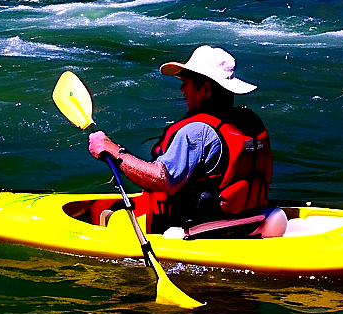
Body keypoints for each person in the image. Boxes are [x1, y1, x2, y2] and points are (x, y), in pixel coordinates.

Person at [88, 45, 274, 235]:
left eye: (187, 82)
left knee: (111, 219)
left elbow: (162, 179)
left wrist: (113, 150)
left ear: (206, 88)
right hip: (244, 223)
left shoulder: (196, 131)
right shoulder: (247, 123)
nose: (182, 88)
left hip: (198, 233)